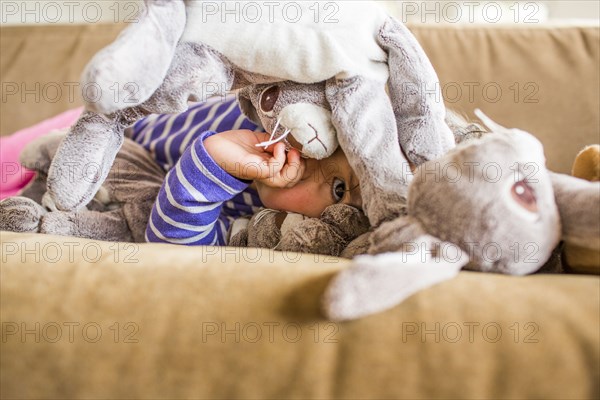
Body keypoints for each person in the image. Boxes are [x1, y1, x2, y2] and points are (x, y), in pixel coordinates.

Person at [129, 95, 362, 246]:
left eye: (339, 188)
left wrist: (213, 161)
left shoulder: (258, 226)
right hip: (138, 108)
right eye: (334, 140)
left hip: (132, 153)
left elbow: (171, 252)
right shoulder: (282, 111)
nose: (311, 153)